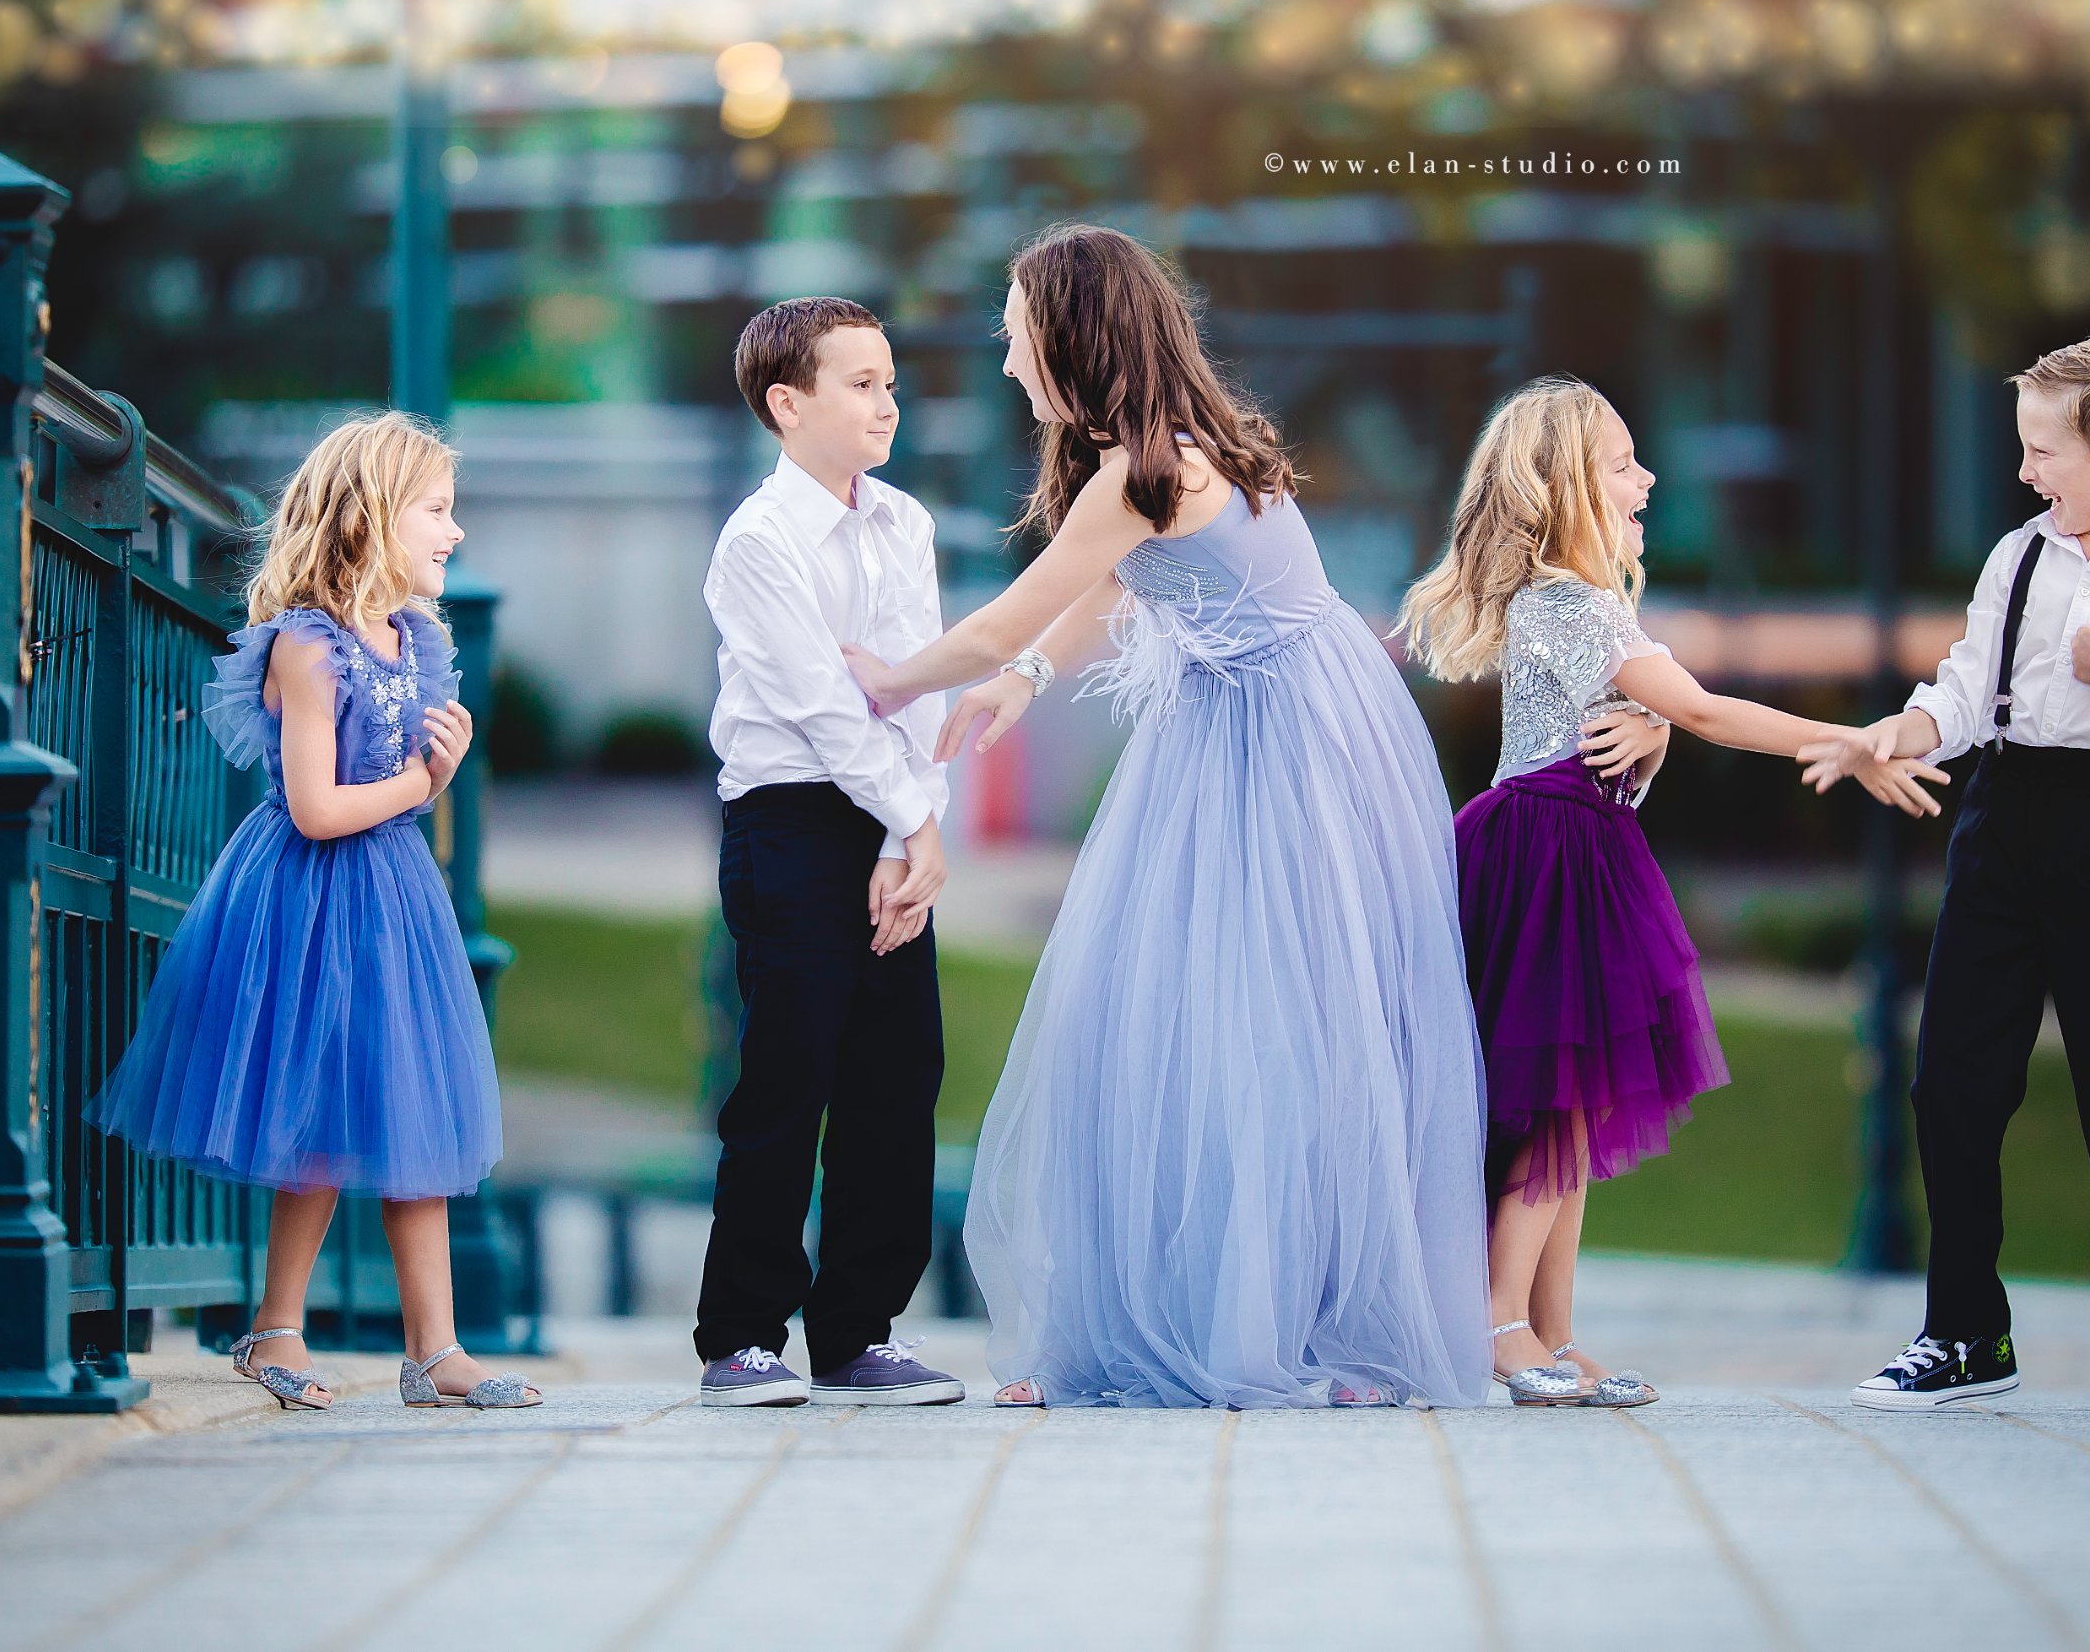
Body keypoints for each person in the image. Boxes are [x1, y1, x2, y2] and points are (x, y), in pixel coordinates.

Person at [846, 223, 1489, 1408]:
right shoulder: (1171, 457)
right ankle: (1239, 1317)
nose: (1003, 360)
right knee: (1188, 1024)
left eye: (1014, 333)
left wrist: (888, 678)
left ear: (1070, 336)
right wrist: (1022, 682)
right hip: (1262, 724)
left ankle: (1279, 1334)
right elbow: (1104, 596)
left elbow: (1009, 612)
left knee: (1259, 1031)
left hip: (1277, 745)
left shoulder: (1150, 471)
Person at [1402, 375, 1948, 1406]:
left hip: (1572, 844)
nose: (1646, 476)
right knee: (1556, 1107)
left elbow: (1645, 723)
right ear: (1566, 485)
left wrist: (1646, 740)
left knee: (1574, 1102)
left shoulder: (1579, 600)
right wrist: (1845, 739)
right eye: (1621, 462)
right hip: (1552, 855)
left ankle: (1550, 1328)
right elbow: (1703, 709)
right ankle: (1497, 1319)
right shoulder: (1573, 600)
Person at [1809, 336, 2090, 1417]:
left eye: (2042, 450)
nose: (2025, 472)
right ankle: (1964, 1331)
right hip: (2000, 820)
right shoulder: (2020, 556)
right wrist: (1907, 728)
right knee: (1952, 1079)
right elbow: (1968, 681)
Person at [87, 412, 540, 1412]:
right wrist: (426, 780)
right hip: (312, 896)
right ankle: (274, 1324)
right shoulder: (310, 646)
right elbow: (316, 806)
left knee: (410, 1102)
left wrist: (436, 774)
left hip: (393, 898)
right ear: (371, 517)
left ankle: (437, 1348)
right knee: (319, 1112)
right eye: (435, 509)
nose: (452, 530)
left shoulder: (416, 637)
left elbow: (393, 790)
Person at [693, 296, 965, 1408]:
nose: (886, 402)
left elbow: (915, 678)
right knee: (787, 1074)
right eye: (860, 383)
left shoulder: (903, 522)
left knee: (897, 1079)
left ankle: (860, 1330)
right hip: (793, 818)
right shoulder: (757, 542)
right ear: (786, 402)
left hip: (896, 820)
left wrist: (914, 829)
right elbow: (822, 703)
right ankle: (741, 1334)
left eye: (890, 381)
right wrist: (918, 823)